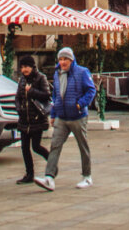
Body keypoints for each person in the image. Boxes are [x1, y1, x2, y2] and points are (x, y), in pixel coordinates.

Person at [35, 46, 96, 192]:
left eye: (65, 59)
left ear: (71, 60)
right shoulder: (57, 74)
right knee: (55, 145)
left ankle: (87, 176)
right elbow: (56, 95)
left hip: (77, 116)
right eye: (61, 59)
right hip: (62, 116)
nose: (63, 62)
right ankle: (49, 177)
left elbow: (91, 90)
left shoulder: (82, 72)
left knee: (83, 146)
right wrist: (54, 114)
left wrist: (80, 104)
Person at [14, 55, 51, 184]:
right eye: (22, 67)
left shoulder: (41, 78)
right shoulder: (22, 80)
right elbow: (18, 97)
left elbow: (46, 96)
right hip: (24, 120)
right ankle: (29, 174)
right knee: (24, 148)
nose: (24, 70)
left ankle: (52, 163)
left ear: (32, 67)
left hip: (37, 119)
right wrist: (19, 108)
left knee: (36, 147)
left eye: (27, 67)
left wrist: (32, 92)